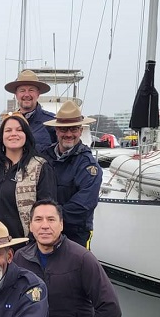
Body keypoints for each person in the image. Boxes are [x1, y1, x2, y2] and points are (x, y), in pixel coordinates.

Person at [0, 113, 56, 240]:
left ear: (27, 135)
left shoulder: (39, 166)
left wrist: (32, 242)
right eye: (8, 130)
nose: (13, 134)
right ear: (2, 136)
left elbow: (47, 209)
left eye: (19, 130)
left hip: (23, 245)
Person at [44, 100, 103, 248]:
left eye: (73, 129)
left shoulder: (89, 166)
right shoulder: (43, 157)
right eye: (64, 130)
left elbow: (83, 206)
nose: (69, 134)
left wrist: (48, 219)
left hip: (75, 235)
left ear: (81, 131)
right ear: (56, 131)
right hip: (44, 233)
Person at [4, 69, 56, 158]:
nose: (27, 94)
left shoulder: (52, 122)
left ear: (38, 94)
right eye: (22, 90)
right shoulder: (8, 122)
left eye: (31, 90)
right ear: (16, 94)